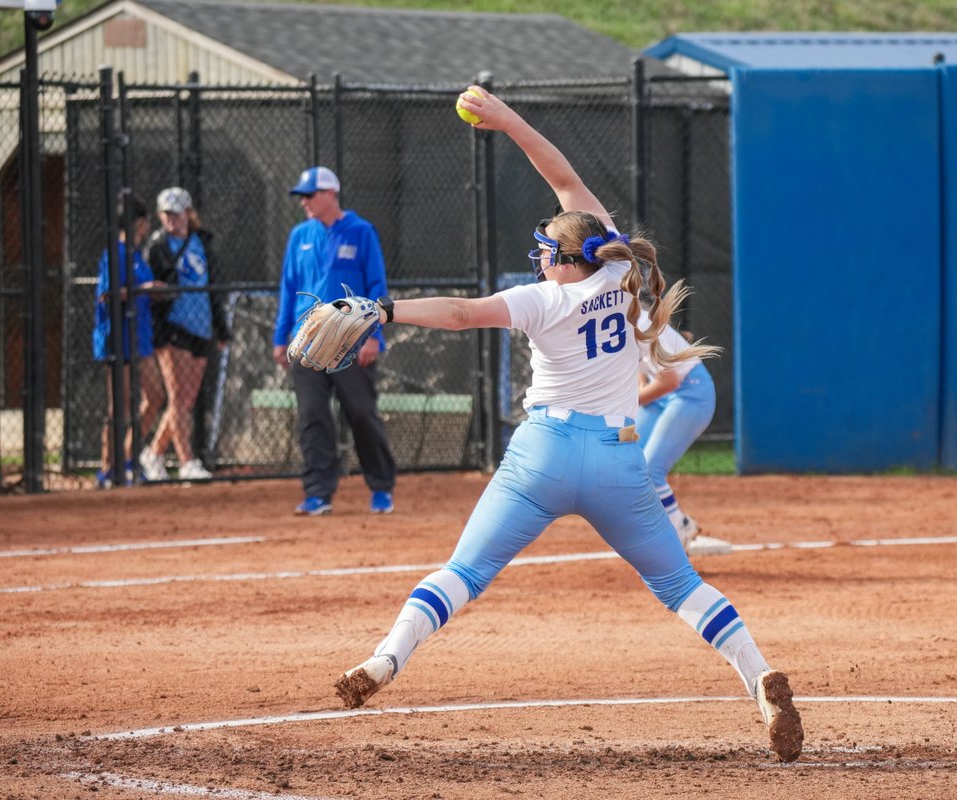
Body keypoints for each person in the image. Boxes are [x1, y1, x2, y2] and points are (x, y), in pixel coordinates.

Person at [331, 88, 804, 763]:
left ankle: (382, 662)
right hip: (618, 461)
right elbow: (563, 177)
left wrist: (385, 309)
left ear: (564, 259)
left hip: (544, 456)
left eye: (548, 245)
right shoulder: (621, 272)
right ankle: (759, 676)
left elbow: (462, 315)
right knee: (682, 588)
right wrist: (507, 118)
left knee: (464, 572)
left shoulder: (542, 298)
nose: (542, 250)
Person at [272, 166, 397, 516]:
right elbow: (288, 288)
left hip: (353, 341)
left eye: (309, 195)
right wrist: (281, 337)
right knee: (312, 416)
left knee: (360, 413)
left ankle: (381, 487)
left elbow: (377, 287)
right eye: (301, 197)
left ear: (330, 194)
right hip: (306, 343)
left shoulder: (361, 232)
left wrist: (374, 335)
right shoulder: (300, 236)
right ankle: (317, 494)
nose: (304, 203)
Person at [140, 187, 229, 482]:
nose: (172, 221)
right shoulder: (157, 245)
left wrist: (221, 328)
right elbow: (150, 288)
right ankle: (187, 461)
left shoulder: (202, 242)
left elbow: (214, 287)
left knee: (186, 401)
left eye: (177, 214)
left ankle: (153, 454)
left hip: (200, 327)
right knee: (177, 398)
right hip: (172, 328)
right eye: (166, 215)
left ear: (189, 214)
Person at [636, 306, 732, 556]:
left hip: (690, 393)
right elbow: (639, 371)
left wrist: (630, 401)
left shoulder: (640, 322)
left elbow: (670, 381)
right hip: (660, 396)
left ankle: (675, 540)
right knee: (629, 465)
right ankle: (682, 523)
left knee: (650, 470)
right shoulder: (615, 319)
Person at [92, 197, 164, 488]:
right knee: (118, 407)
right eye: (145, 221)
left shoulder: (136, 254)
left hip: (139, 337)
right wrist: (143, 288)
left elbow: (140, 289)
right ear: (138, 223)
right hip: (117, 337)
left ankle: (127, 457)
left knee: (156, 396)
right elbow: (107, 294)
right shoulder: (115, 254)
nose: (147, 226)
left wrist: (152, 291)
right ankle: (107, 469)